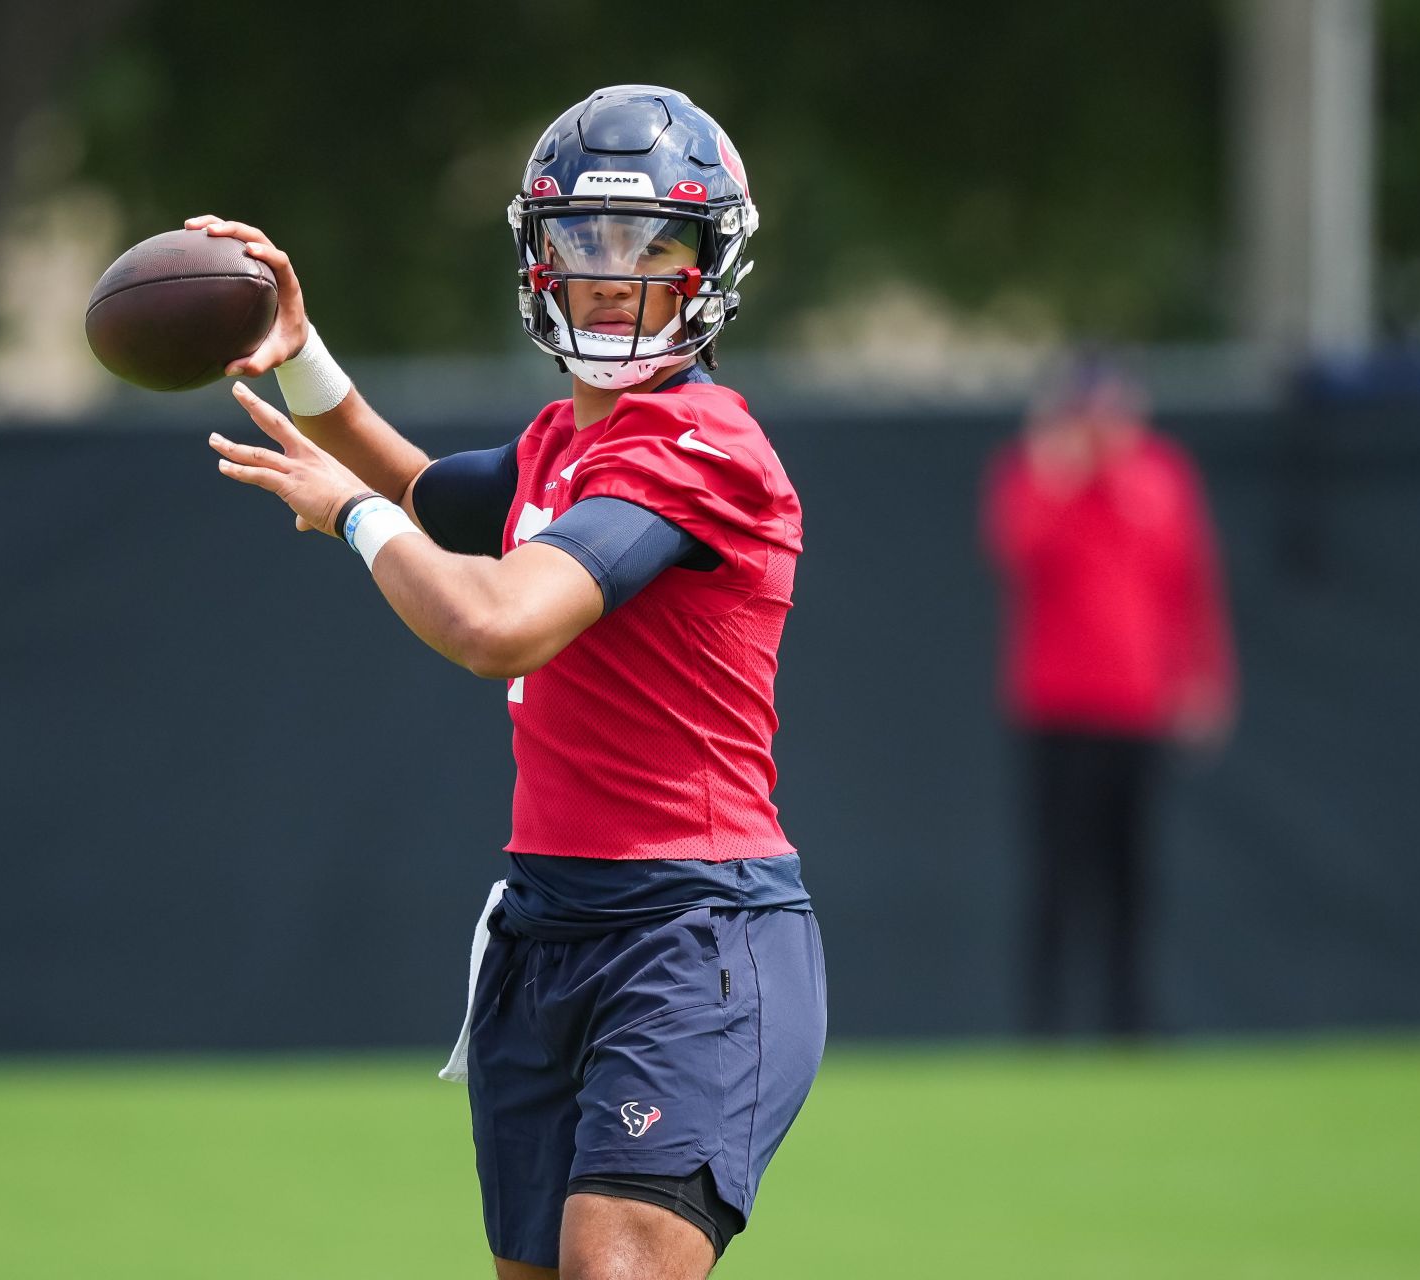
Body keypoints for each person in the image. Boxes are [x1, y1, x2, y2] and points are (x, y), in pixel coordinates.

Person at [196, 85, 825, 1280]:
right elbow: (422, 487)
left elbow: (495, 625)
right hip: (547, 930)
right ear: (540, 256)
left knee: (614, 1267)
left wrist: (350, 516)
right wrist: (302, 351)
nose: (612, 271)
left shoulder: (704, 446)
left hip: (691, 932)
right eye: (584, 239)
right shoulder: (561, 444)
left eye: (655, 242)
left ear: (715, 262)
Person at [980, 358, 1235, 1039]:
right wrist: (1060, 474)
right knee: (1058, 874)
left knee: (1133, 875)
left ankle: (1132, 1024)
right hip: (1058, 707)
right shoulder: (1037, 474)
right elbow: (1017, 550)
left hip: (1139, 708)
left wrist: (1203, 677)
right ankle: (1045, 1025)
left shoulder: (1161, 474)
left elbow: (1191, 584)